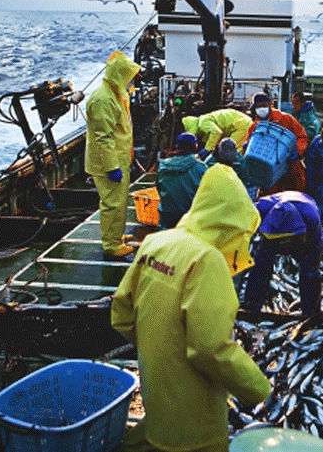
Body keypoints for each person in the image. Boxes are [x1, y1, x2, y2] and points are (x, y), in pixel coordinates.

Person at [112, 164, 270, 452]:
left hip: (155, 387)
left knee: (154, 435)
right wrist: (256, 388)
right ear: (233, 222)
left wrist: (154, 347)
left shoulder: (157, 241)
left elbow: (121, 314)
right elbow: (211, 348)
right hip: (195, 411)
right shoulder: (207, 260)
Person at [85, 50, 141, 258]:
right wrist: (111, 167)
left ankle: (116, 236)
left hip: (121, 157)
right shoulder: (103, 99)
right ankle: (111, 245)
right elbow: (103, 137)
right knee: (112, 203)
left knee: (120, 200)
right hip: (110, 162)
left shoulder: (118, 93)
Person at [242, 191, 323, 318]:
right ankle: (251, 306)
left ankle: (310, 313)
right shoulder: (260, 210)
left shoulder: (311, 219)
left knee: (310, 272)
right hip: (271, 234)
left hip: (302, 232)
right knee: (261, 264)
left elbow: (317, 248)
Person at [245, 92, 308, 194]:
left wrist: (298, 151)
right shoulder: (255, 127)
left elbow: (302, 136)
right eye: (258, 107)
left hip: (290, 166)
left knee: (294, 197)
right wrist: (246, 145)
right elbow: (248, 142)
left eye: (264, 106)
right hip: (269, 171)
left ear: (270, 105)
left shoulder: (286, 119)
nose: (261, 109)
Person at [156, 133, 208, 229]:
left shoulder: (163, 166)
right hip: (189, 216)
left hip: (167, 216)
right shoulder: (201, 168)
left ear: (177, 146)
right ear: (195, 147)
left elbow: (159, 188)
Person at [181, 108, 252, 161]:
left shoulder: (203, 123)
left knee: (232, 153)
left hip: (241, 125)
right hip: (241, 123)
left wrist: (207, 149)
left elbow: (216, 132)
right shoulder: (203, 120)